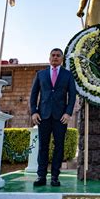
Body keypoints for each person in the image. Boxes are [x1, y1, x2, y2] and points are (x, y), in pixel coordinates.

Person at [30, 48, 77, 187]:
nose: (55, 57)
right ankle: (41, 176)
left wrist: (68, 113)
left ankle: (55, 176)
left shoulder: (68, 75)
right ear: (49, 58)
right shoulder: (41, 74)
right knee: (43, 147)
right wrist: (34, 111)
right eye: (53, 55)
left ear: (62, 59)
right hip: (43, 116)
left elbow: (72, 96)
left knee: (59, 147)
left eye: (58, 56)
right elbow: (33, 95)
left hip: (60, 117)